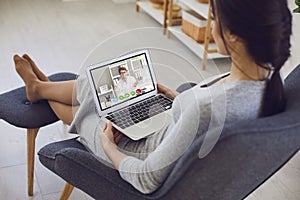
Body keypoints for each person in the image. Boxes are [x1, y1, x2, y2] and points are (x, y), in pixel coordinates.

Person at [13, 0, 292, 194]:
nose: (212, 25)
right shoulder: (266, 80)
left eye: (214, 19)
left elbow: (146, 179)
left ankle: (38, 89)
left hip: (136, 150)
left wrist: (109, 144)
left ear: (231, 36)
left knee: (91, 107)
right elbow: (203, 114)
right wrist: (178, 100)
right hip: (165, 128)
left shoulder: (207, 108)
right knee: (94, 87)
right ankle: (42, 86)